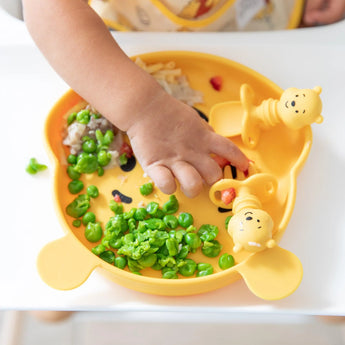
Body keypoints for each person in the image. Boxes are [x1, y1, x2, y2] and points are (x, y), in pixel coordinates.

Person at [21, 0, 345, 323]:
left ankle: (312, 288)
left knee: (321, 280)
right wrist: (142, 109)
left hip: (258, 24)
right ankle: (96, 271)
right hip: (112, 56)